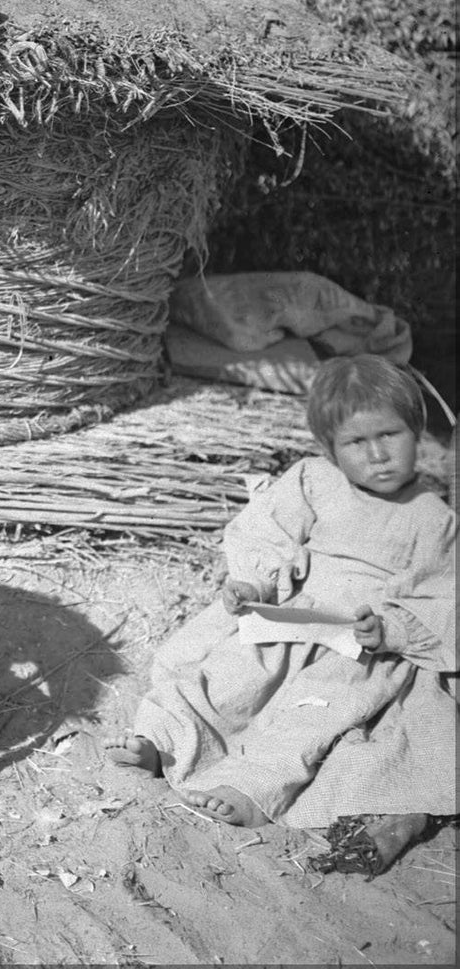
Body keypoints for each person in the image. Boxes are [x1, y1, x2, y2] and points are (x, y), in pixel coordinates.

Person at [105, 355, 455, 833]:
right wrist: (254, 581)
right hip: (289, 618)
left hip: (354, 649)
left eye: (389, 435)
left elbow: (442, 597)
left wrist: (390, 629)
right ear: (331, 450)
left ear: (416, 432)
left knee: (310, 720)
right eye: (356, 442)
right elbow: (267, 532)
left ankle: (250, 789)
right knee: (224, 679)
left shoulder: (434, 518)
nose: (377, 455)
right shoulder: (315, 480)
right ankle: (160, 742)